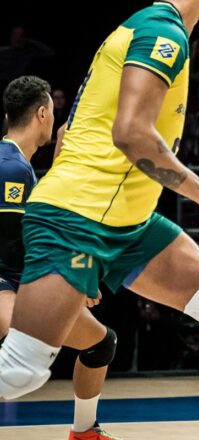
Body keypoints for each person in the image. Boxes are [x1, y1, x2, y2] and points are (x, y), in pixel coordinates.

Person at [0, 2, 199, 439]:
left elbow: (72, 128)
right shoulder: (161, 29)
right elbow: (130, 133)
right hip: (77, 217)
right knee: (20, 372)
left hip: (128, 220)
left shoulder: (147, 27)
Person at [0, 76, 121, 439]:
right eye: (52, 112)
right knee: (18, 355)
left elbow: (36, 228)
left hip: (22, 281)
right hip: (6, 281)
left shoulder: (22, 167)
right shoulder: (10, 167)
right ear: (41, 113)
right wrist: (68, 278)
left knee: (101, 343)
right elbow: (13, 239)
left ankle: (85, 432)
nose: (54, 121)